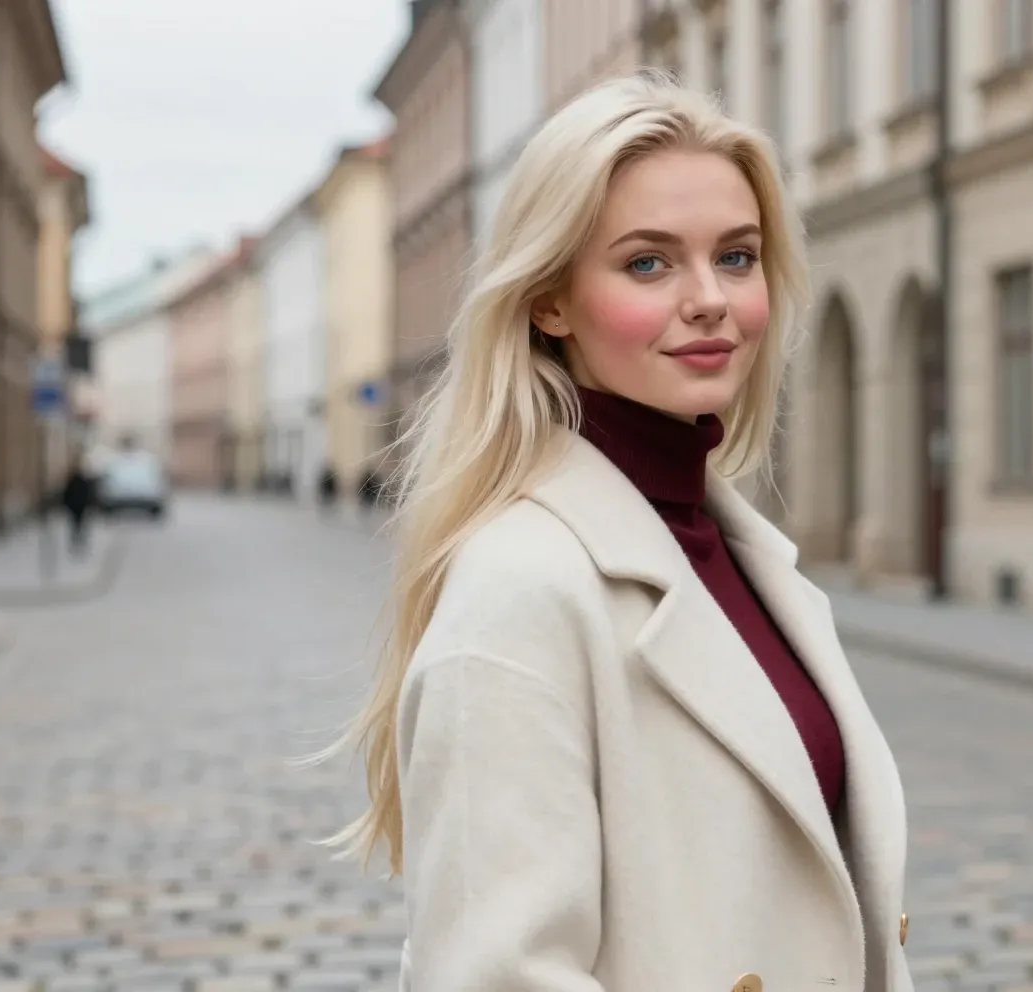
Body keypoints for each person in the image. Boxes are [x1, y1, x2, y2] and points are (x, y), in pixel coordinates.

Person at [323, 73, 916, 992]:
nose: (709, 298)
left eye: (737, 257)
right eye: (648, 263)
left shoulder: (742, 555)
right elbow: (501, 976)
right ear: (550, 301)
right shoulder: (521, 584)